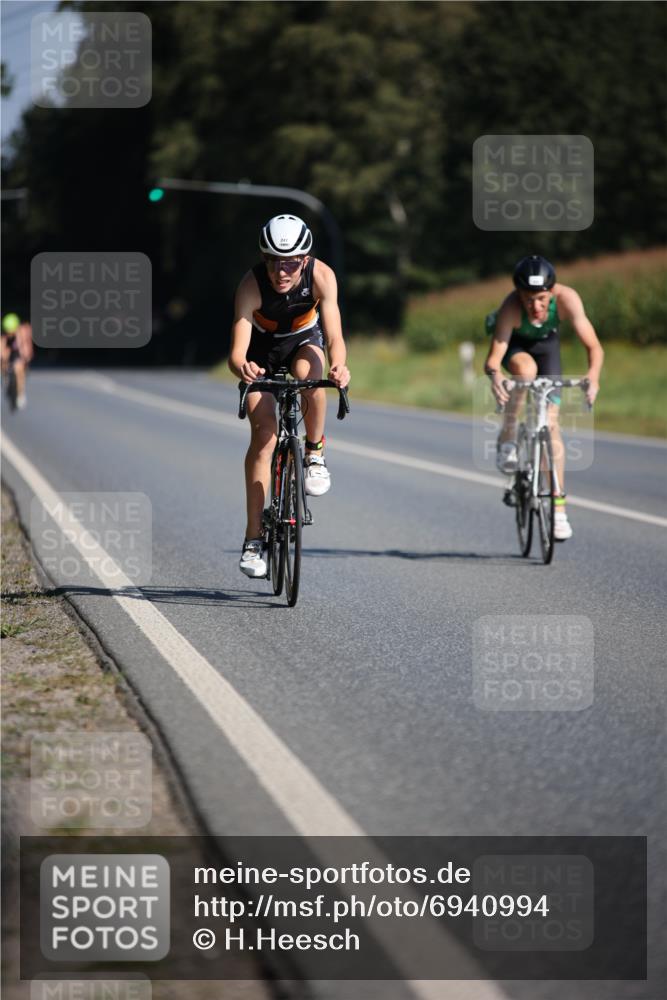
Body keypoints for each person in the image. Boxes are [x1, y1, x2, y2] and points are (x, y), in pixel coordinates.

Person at [228, 214, 350, 577]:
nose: (282, 271)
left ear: (305, 258)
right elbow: (236, 353)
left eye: (292, 262)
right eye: (274, 262)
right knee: (264, 436)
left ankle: (314, 453)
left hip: (303, 342)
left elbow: (334, 338)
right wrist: (243, 369)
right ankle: (253, 541)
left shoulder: (322, 276)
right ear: (264, 258)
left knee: (310, 376)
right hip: (260, 352)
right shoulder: (250, 286)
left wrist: (340, 366)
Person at [483, 255, 603, 541]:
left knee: (551, 425)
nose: (535, 307)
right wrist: (496, 376)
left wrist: (593, 377)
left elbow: (594, 346)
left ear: (552, 292)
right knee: (526, 371)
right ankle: (509, 434)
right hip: (517, 347)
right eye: (528, 299)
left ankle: (559, 511)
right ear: (519, 295)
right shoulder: (511, 307)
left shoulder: (568, 299)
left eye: (541, 299)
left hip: (547, 347)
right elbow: (493, 360)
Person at [1, 314, 33, 409]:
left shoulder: (22, 332)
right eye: (8, 331)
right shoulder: (4, 336)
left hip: (19, 353)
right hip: (9, 353)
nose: (9, 333)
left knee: (19, 369)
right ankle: (5, 379)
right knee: (4, 360)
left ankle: (20, 394)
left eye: (11, 331)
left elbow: (26, 348)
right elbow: (2, 348)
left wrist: (26, 358)